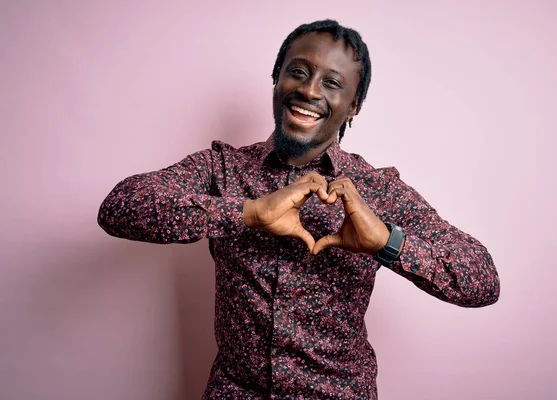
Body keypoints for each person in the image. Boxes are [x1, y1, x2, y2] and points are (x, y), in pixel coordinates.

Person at [98, 19, 500, 399]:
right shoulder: (220, 168)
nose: (310, 92)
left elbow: (481, 281)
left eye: (332, 83)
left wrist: (386, 242)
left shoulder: (377, 190)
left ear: (354, 105)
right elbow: (121, 205)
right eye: (299, 72)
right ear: (277, 79)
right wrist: (246, 213)